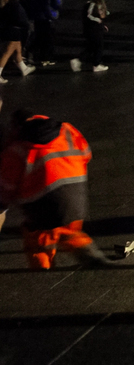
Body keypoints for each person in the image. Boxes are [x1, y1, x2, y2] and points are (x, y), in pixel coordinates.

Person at [0, 111, 111, 269]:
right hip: (75, 199)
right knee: (68, 231)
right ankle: (89, 254)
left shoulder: (16, 150)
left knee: (39, 243)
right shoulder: (67, 129)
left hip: (42, 208)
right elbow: (86, 154)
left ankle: (43, 274)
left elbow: (6, 187)